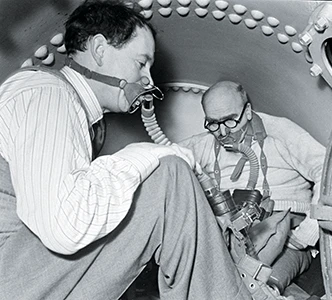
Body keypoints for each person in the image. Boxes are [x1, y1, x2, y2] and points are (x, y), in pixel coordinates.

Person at [0, 1, 252, 299]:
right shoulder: (45, 93)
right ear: (99, 49)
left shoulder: (84, 120)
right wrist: (147, 153)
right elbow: (63, 228)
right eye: (140, 63)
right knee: (168, 176)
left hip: (24, 275)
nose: (149, 80)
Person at [179, 81, 326, 298]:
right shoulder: (205, 144)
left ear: (247, 111)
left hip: (287, 234)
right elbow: (166, 162)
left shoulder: (280, 133)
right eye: (213, 123)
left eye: (230, 121)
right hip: (231, 235)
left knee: (254, 287)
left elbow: (327, 167)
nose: (222, 132)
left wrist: (310, 230)